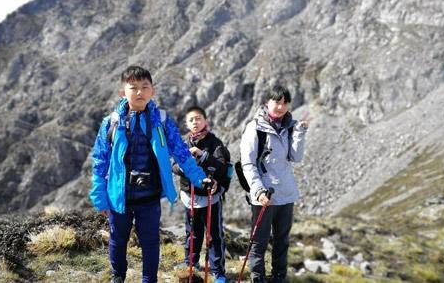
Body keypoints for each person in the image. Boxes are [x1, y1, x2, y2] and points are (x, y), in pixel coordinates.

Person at [89, 66, 216, 283]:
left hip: (149, 196)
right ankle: (117, 276)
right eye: (134, 88)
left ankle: (149, 280)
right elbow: (100, 161)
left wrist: (199, 177)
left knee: (150, 242)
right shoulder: (111, 123)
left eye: (144, 87)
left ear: (152, 91)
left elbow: (181, 153)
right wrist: (100, 197)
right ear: (123, 92)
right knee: (118, 240)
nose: (139, 92)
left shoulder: (163, 121)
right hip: (119, 196)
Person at [240, 85, 308, 283]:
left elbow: (296, 156)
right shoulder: (255, 128)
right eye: (277, 102)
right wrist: (259, 190)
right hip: (264, 195)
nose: (281, 106)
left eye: (285, 103)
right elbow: (248, 162)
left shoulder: (289, 126)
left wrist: (300, 133)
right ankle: (257, 278)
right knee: (259, 242)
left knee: (282, 241)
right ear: (267, 103)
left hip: (286, 193)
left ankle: (279, 277)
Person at [172, 106, 230, 283]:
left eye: (198, 118)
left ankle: (218, 271)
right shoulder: (183, 143)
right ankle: (191, 262)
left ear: (205, 120)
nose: (195, 122)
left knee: (213, 235)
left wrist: (202, 155)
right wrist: (185, 164)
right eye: (191, 120)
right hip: (190, 196)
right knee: (192, 232)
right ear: (186, 124)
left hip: (210, 198)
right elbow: (174, 166)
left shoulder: (215, 143)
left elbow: (221, 167)